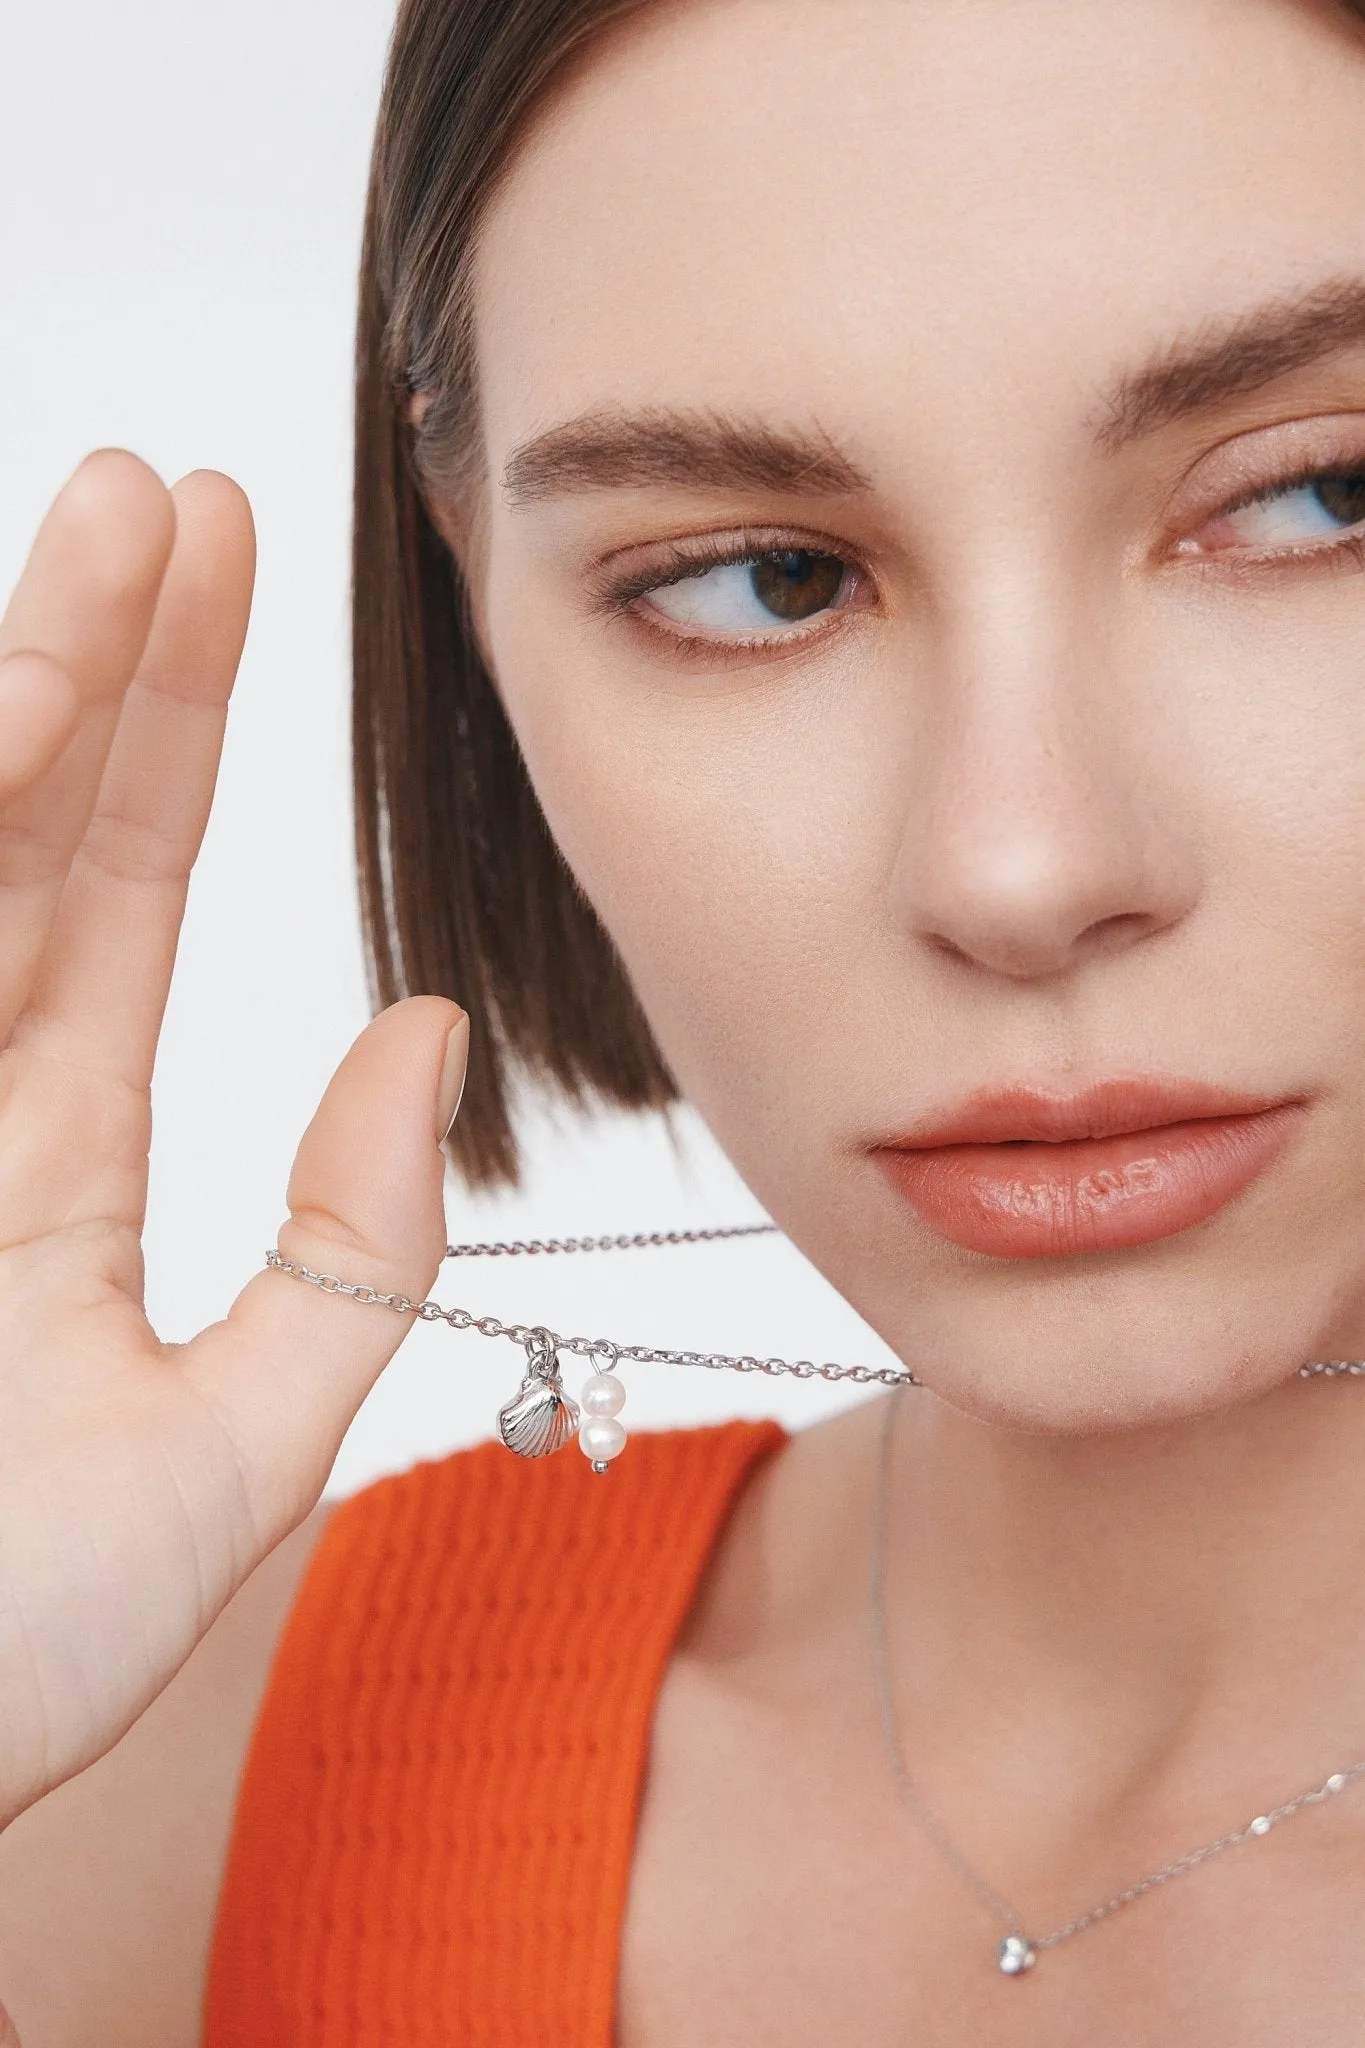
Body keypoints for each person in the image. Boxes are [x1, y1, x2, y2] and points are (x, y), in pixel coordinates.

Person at [1, 0, 1365, 2037]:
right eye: (765, 579)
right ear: (476, 609)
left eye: (1320, 496)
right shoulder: (192, 1792)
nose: (1018, 860)